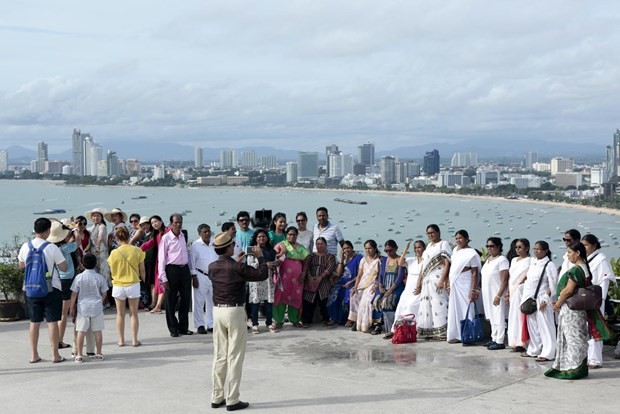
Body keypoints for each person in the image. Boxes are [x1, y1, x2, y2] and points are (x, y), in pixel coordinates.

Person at [208, 232, 271, 411]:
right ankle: (232, 399)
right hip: (235, 311)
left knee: (220, 355)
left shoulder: (212, 266)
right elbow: (261, 274)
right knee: (234, 356)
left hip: (217, 310)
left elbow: (226, 271)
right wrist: (260, 257)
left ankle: (216, 396)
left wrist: (235, 261)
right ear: (229, 247)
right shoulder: (237, 268)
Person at [545, 242, 612, 379]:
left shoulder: (576, 270)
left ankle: (573, 369)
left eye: (569, 252)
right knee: (577, 338)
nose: (568, 255)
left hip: (571, 311)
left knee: (572, 339)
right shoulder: (584, 268)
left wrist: (558, 303)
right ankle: (577, 367)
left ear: (578, 253)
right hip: (577, 310)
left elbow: (568, 290)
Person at [18, 217, 68, 363]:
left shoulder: (25, 246)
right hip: (51, 288)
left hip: (31, 289)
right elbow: (63, 267)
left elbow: (21, 265)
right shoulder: (52, 247)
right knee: (52, 322)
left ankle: (34, 355)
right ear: (47, 231)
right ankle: (55, 355)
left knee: (34, 322)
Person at [107, 226, 145, 347]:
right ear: (129, 236)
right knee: (134, 314)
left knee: (120, 314)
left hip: (118, 285)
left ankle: (121, 340)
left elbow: (111, 270)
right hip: (133, 283)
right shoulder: (137, 250)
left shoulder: (114, 253)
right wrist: (143, 280)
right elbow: (142, 270)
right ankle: (134, 340)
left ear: (117, 239)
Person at [581, 234, 615, 368]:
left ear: (594, 245)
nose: (584, 248)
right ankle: (587, 357)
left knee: (595, 329)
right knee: (585, 329)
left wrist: (599, 300)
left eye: (586, 245)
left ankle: (595, 359)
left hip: (595, 300)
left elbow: (604, 281)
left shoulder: (600, 260)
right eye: (582, 245)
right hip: (584, 299)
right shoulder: (585, 259)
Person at [521, 241, 558, 361]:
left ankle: (548, 352)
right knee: (533, 326)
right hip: (530, 298)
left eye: (539, 249)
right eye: (535, 249)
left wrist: (546, 299)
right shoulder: (533, 262)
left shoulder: (549, 265)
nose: (536, 251)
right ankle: (534, 349)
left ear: (546, 251)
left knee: (546, 326)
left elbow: (552, 284)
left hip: (542, 299)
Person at [159, 214, 193, 337]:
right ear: (171, 223)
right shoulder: (166, 238)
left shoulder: (184, 236)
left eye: (180, 222)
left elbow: (188, 254)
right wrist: (163, 277)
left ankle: (184, 327)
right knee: (170, 301)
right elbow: (161, 259)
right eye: (175, 222)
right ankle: (173, 328)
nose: (178, 225)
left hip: (184, 269)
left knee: (185, 299)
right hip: (171, 270)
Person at [69, 253, 108, 362]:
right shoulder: (100, 277)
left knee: (81, 331)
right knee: (97, 331)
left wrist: (72, 307)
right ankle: (99, 353)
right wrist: (100, 299)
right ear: (96, 264)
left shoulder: (79, 277)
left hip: (83, 307)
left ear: (82, 264)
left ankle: (79, 355)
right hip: (97, 307)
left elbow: (74, 294)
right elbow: (105, 292)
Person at [447, 230, 482, 344]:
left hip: (465, 281)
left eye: (460, 238)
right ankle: (457, 334)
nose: (458, 240)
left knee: (467, 306)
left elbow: (475, 272)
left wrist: (473, 289)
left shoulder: (471, 253)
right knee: (455, 308)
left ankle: (470, 334)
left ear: (467, 239)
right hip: (455, 282)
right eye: (456, 238)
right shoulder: (455, 250)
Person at [48, 220, 78, 350]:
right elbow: (77, 243)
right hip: (66, 280)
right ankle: (59, 340)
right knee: (63, 313)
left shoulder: (52, 248)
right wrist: (75, 231)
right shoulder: (66, 247)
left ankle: (55, 339)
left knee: (57, 312)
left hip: (56, 280)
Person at [417, 224, 451, 340]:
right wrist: (420, 281)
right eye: (428, 233)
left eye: (432, 232)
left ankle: (443, 332)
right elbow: (424, 264)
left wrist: (442, 280)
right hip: (427, 280)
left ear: (438, 232)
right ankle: (432, 331)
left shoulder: (443, 244)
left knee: (439, 303)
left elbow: (447, 263)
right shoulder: (429, 246)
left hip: (437, 278)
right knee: (428, 305)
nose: (431, 235)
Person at [273, 227, 309, 328]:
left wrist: (304, 273)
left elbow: (306, 261)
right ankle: (278, 320)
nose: (291, 236)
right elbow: (273, 257)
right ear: (286, 235)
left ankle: (295, 319)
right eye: (289, 234)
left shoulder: (301, 247)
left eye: (294, 234)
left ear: (297, 236)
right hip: (283, 276)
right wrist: (282, 253)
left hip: (297, 278)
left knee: (295, 297)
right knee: (280, 296)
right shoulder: (280, 245)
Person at [481, 237, 509, 350]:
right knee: (492, 317)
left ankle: (500, 340)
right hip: (487, 293)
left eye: (492, 246)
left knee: (498, 316)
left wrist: (499, 294)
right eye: (487, 246)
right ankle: (494, 338)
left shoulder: (502, 260)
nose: (489, 248)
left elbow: (504, 280)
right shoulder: (488, 259)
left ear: (498, 247)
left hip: (497, 292)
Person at [246, 229, 277, 333]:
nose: (261, 238)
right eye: (259, 237)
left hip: (268, 278)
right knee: (255, 303)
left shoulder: (271, 250)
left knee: (268, 303)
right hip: (255, 279)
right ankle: (255, 325)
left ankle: (269, 323)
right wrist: (264, 265)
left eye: (263, 236)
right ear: (255, 238)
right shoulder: (251, 250)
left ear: (267, 238)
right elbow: (250, 265)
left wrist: (274, 264)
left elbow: (275, 262)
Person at [392, 240, 425, 334]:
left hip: (418, 289)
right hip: (408, 289)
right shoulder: (412, 260)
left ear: (424, 248)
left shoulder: (426, 260)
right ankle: (397, 329)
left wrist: (420, 286)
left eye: (419, 247)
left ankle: (411, 329)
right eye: (415, 248)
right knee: (401, 307)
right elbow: (400, 263)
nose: (417, 249)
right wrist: (405, 249)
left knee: (411, 306)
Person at [190, 223, 218, 334]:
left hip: (213, 276)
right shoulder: (195, 245)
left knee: (212, 301)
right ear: (199, 233)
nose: (207, 234)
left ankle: (211, 324)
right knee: (198, 301)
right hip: (200, 275)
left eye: (208, 231)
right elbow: (192, 261)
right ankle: (200, 324)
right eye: (204, 232)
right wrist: (194, 276)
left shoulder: (214, 244)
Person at [302, 237, 336, 328]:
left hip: (324, 281)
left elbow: (330, 267)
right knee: (308, 300)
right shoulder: (311, 256)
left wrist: (320, 277)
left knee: (324, 300)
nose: (319, 246)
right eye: (318, 244)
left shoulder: (330, 256)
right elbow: (306, 267)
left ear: (325, 245)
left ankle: (327, 319)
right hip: (311, 280)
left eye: (321, 244)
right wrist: (309, 277)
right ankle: (306, 321)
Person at [374, 239, 406, 338]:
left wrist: (390, 290)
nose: (388, 252)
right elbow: (380, 275)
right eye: (386, 251)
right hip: (384, 286)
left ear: (396, 248)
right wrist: (380, 286)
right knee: (375, 300)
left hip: (396, 287)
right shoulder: (384, 260)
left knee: (387, 301)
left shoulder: (400, 260)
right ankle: (377, 325)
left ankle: (392, 329)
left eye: (390, 250)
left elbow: (400, 276)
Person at [348, 240, 381, 333]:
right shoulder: (363, 260)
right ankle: (356, 320)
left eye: (370, 248)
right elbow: (359, 275)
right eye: (366, 248)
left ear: (375, 248)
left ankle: (369, 323)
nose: (368, 250)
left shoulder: (379, 260)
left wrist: (377, 285)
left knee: (368, 299)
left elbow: (380, 275)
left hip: (373, 283)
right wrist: (355, 286)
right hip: (362, 284)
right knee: (354, 296)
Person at [329, 240, 362, 326]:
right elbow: (339, 273)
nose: (346, 250)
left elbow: (360, 274)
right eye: (344, 249)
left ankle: (349, 319)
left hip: (355, 281)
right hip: (343, 281)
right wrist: (341, 259)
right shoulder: (344, 259)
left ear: (352, 248)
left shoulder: (359, 258)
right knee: (335, 292)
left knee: (348, 294)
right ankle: (334, 317)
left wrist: (351, 282)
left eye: (348, 248)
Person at [506, 238, 531, 353]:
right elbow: (510, 276)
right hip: (512, 290)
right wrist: (508, 292)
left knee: (520, 316)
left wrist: (518, 286)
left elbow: (526, 276)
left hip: (521, 291)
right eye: (516, 247)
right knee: (513, 316)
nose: (517, 249)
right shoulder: (514, 260)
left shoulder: (530, 260)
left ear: (526, 248)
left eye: (520, 247)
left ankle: (522, 342)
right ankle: (514, 342)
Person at [85, 208, 111, 302]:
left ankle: (105, 300)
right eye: (94, 216)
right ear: (91, 218)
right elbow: (83, 230)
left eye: (98, 216)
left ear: (101, 217)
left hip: (102, 252)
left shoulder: (102, 226)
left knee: (103, 275)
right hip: (94, 254)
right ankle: (103, 300)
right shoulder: (92, 227)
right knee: (96, 276)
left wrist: (97, 246)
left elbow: (100, 236)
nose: (96, 217)